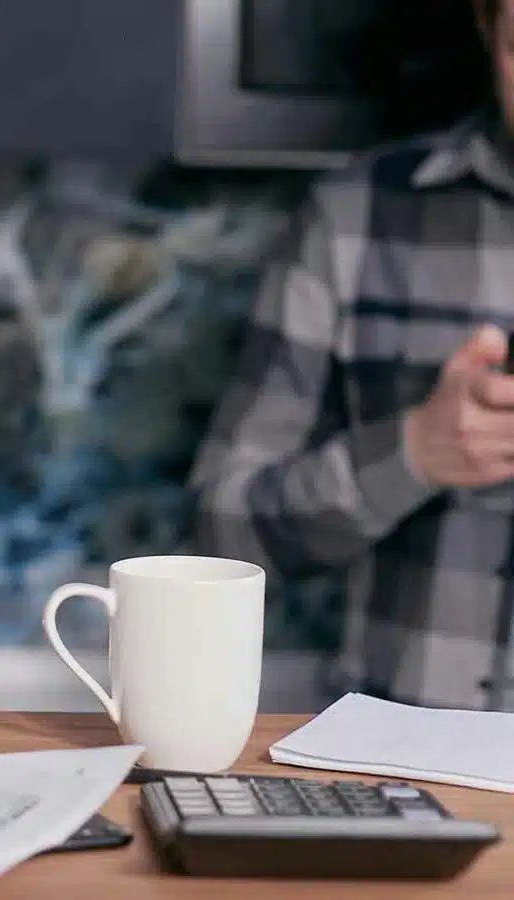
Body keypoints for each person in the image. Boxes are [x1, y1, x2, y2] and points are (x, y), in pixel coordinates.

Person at [191, 0, 514, 712]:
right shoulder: (354, 216)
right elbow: (223, 530)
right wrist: (414, 456)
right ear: (488, 30)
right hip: (398, 764)